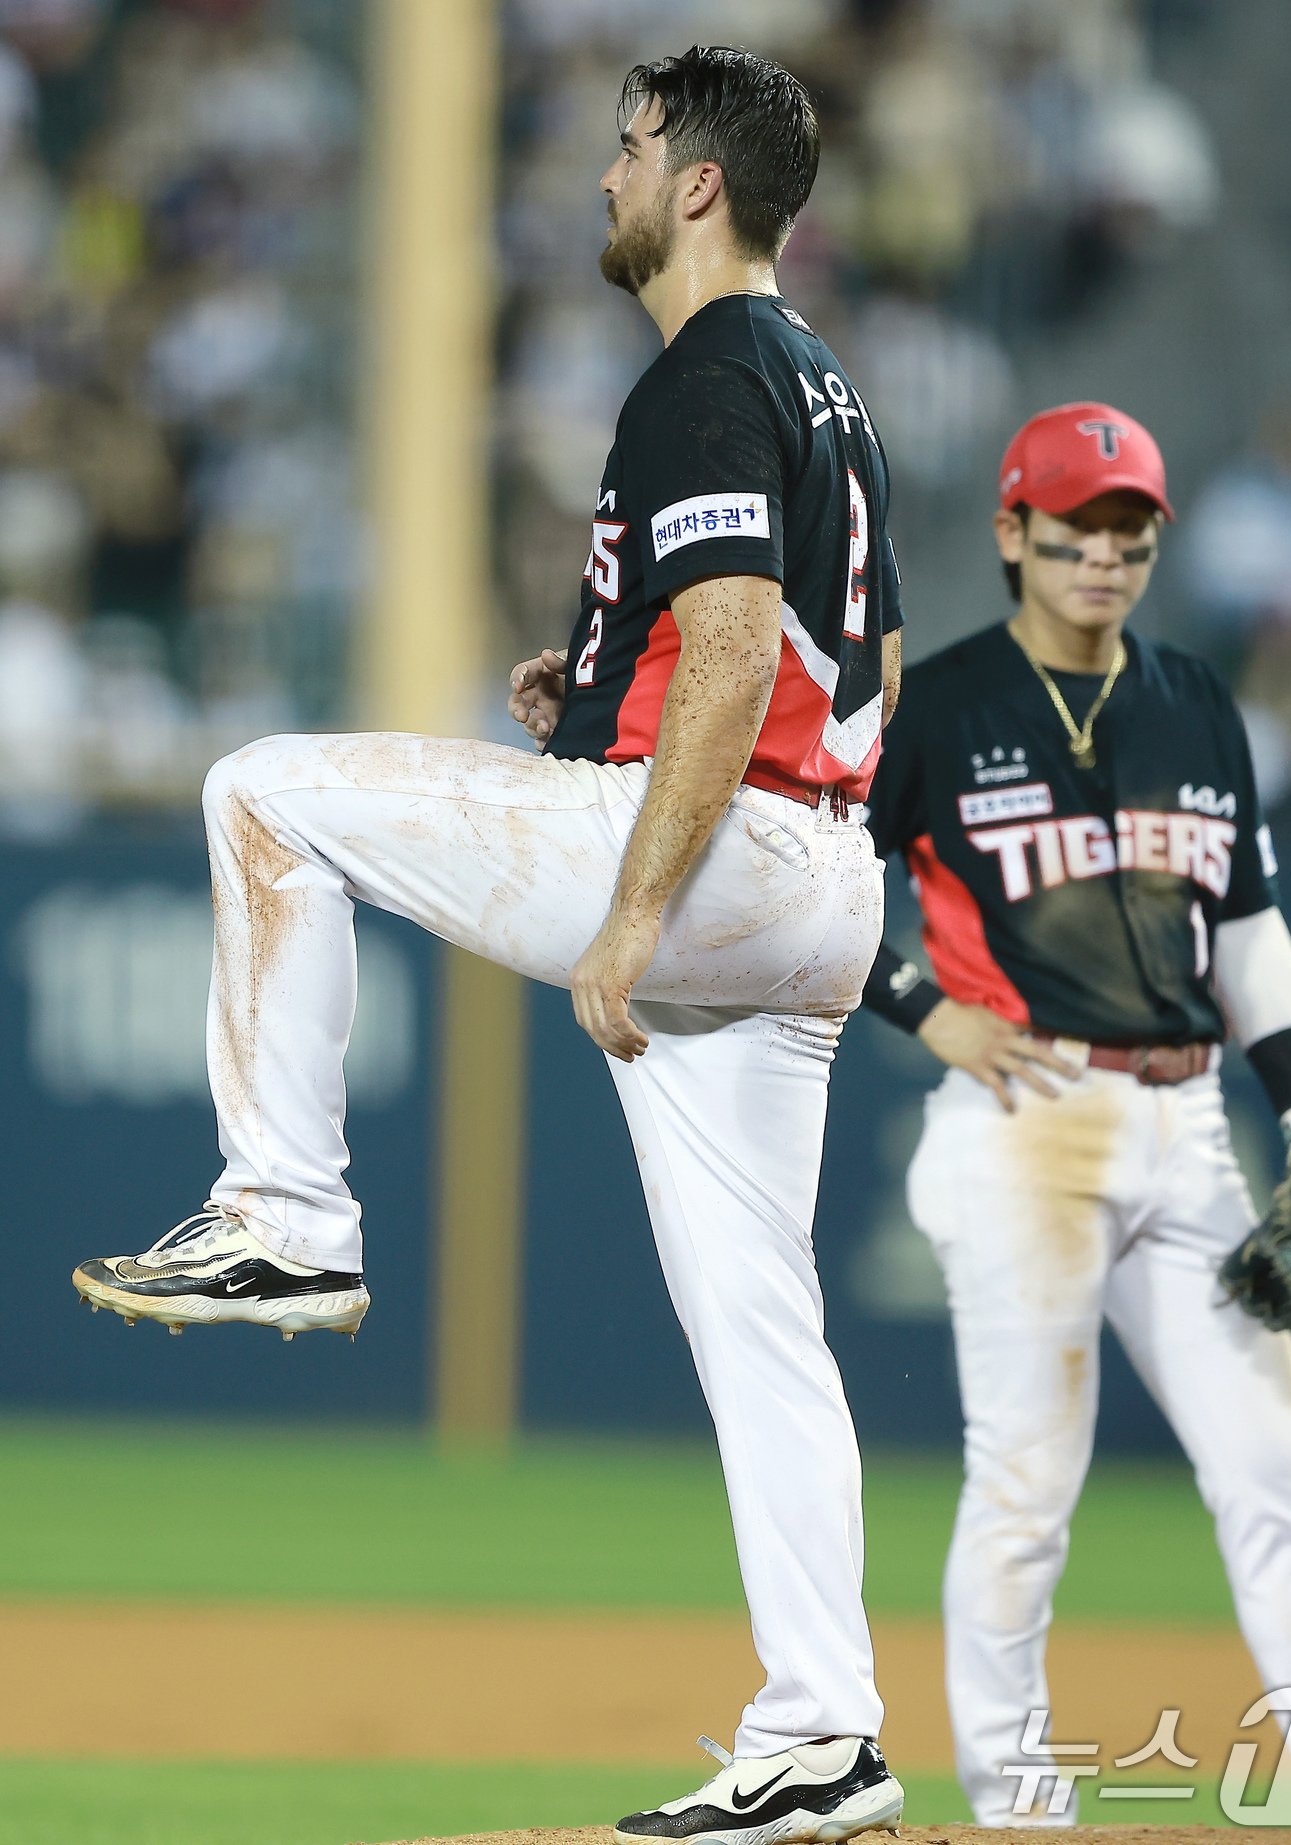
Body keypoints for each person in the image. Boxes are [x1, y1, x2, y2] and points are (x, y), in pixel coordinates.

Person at [73, 47, 905, 1845]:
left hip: (718, 863)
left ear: (698, 186)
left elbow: (745, 648)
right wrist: (599, 691)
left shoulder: (707, 365)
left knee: (262, 789)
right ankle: (824, 1730)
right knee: (763, 1325)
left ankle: (288, 1216)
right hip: (824, 875)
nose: (605, 176)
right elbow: (860, 667)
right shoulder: (831, 387)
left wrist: (632, 906)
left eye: (627, 151)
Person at [860, 402, 1291, 1829]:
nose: (1104, 552)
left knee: (1275, 1464)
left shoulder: (1196, 700)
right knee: (1030, 1485)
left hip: (1189, 1119)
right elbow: (812, 884)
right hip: (1028, 1119)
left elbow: (1251, 924)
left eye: (1128, 529)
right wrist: (919, 1006)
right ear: (1013, 533)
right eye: (1076, 527)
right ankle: (1016, 1797)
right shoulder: (942, 705)